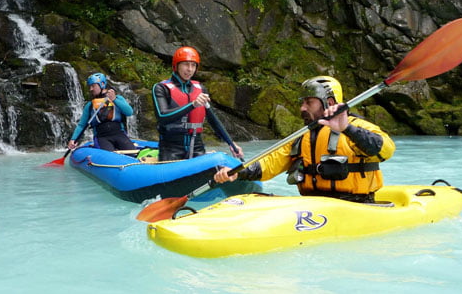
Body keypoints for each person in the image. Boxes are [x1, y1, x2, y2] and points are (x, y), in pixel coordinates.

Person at [214, 76, 396, 203]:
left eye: (309, 102)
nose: (302, 107)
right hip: (313, 205)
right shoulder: (301, 137)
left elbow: (386, 149)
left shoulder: (356, 127)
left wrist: (347, 129)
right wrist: (238, 172)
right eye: (302, 102)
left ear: (330, 103)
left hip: (355, 204)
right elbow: (269, 163)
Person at [152, 46, 244, 161]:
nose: (190, 69)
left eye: (193, 65)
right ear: (176, 66)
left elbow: (213, 119)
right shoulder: (161, 88)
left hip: (197, 146)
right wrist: (192, 105)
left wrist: (231, 143)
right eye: (186, 64)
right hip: (171, 148)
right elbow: (162, 116)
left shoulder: (200, 88)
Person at [68, 73, 136, 152]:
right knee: (109, 155)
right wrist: (73, 139)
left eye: (93, 86)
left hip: (119, 134)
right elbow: (81, 125)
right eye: (90, 86)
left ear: (102, 84)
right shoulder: (90, 105)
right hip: (102, 137)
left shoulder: (117, 99)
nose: (91, 89)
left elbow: (129, 112)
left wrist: (114, 99)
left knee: (132, 153)